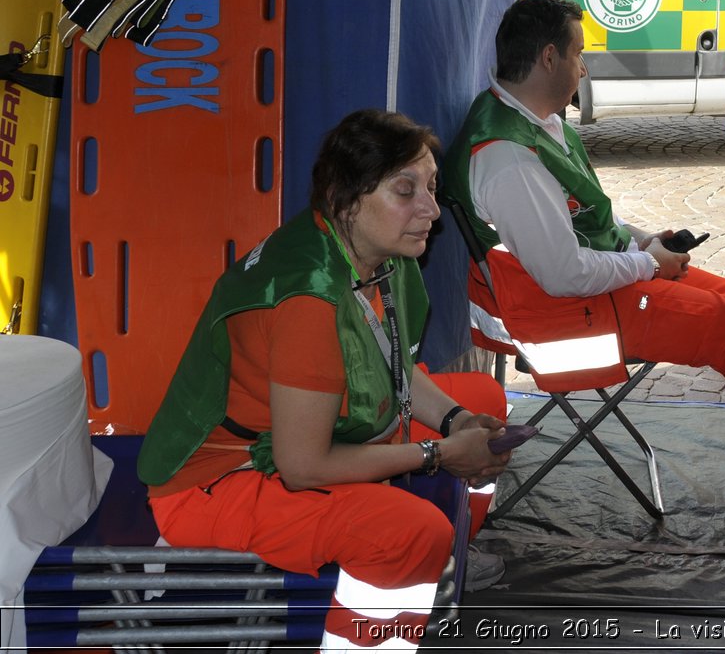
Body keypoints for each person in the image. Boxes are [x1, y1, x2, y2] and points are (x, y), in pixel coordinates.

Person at [137, 109, 512, 653]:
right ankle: (371, 641)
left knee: (484, 400)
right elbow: (304, 465)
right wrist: (439, 453)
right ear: (346, 199)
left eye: (431, 187)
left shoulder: (375, 249)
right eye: (405, 190)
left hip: (296, 439)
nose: (430, 210)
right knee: (410, 534)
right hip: (219, 480)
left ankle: (459, 547)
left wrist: (455, 422)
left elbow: (397, 368)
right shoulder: (309, 300)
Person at [440, 0, 725, 457]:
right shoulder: (508, 158)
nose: (584, 68)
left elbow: (583, 212)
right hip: (562, 319)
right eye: (578, 54)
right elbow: (563, 276)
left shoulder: (534, 122)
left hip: (589, 292)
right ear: (549, 57)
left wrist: (644, 242)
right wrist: (648, 264)